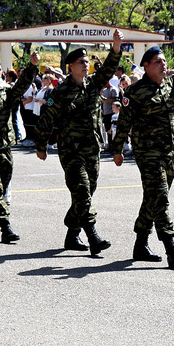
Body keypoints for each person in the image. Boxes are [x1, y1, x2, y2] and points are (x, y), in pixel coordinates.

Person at [112, 26, 174, 266]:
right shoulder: (134, 92)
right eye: (158, 61)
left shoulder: (173, 85)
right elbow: (124, 120)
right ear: (146, 65)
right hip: (148, 153)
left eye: (164, 61)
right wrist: (117, 148)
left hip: (169, 152)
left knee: (153, 198)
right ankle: (171, 248)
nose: (163, 65)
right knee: (161, 198)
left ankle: (140, 244)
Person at [34, 30, 123, 256]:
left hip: (92, 150)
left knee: (86, 192)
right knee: (82, 190)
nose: (85, 65)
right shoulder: (60, 92)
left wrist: (115, 48)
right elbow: (46, 119)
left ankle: (72, 233)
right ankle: (93, 236)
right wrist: (41, 146)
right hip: (70, 151)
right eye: (81, 62)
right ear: (70, 66)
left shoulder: (93, 85)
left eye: (86, 61)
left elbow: (109, 68)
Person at [0, 52, 39, 243]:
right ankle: (5, 227)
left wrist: (32, 66)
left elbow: (21, 86)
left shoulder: (6, 92)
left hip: (4, 147)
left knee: (1, 187)